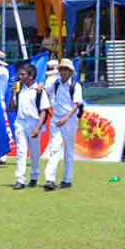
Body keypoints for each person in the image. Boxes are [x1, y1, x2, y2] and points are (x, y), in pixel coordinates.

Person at [42, 58, 83, 191]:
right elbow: (45, 91)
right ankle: (50, 179)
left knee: (68, 151)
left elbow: (77, 105)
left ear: (70, 72)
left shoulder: (76, 86)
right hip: (57, 119)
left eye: (66, 70)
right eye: (62, 69)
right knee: (54, 148)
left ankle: (67, 179)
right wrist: (41, 88)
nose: (64, 72)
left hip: (70, 120)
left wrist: (66, 118)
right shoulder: (55, 83)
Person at [10, 62, 49, 190]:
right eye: (20, 74)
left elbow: (44, 111)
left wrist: (38, 127)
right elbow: (12, 108)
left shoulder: (39, 91)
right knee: (21, 151)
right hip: (20, 122)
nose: (20, 77)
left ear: (31, 76)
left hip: (34, 122)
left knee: (34, 152)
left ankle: (34, 176)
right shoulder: (19, 89)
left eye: (23, 74)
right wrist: (12, 93)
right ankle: (20, 179)